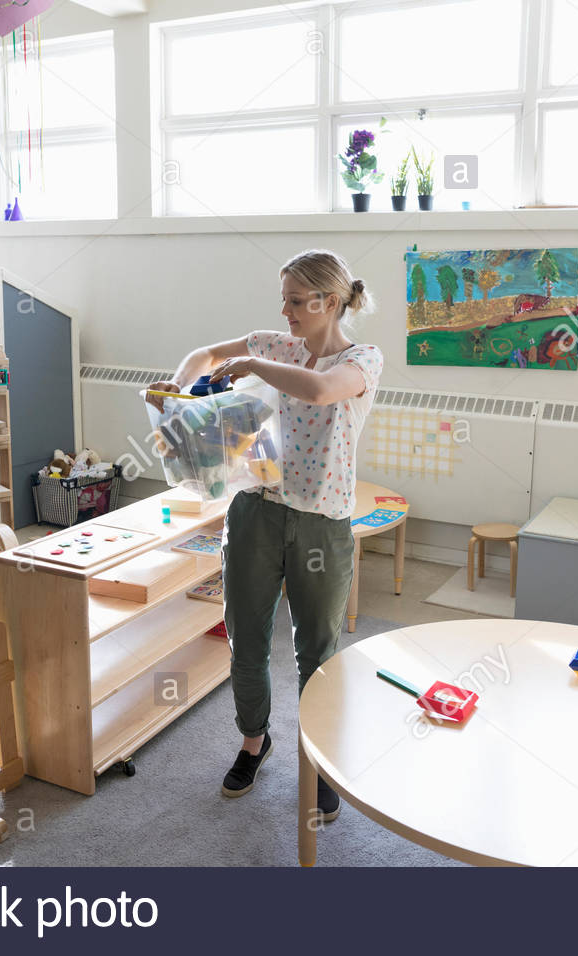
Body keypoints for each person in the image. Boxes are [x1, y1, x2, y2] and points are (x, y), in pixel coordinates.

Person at [145, 249, 383, 822]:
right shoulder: (272, 345)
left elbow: (320, 391)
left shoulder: (363, 359)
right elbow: (205, 354)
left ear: (329, 302)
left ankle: (321, 761)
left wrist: (252, 362)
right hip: (255, 509)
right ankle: (254, 743)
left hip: (322, 523)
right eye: (285, 299)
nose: (287, 311)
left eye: (297, 301)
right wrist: (179, 389)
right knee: (246, 640)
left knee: (317, 653)